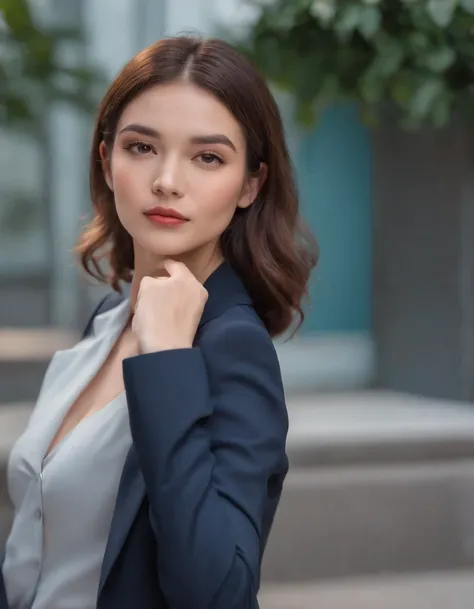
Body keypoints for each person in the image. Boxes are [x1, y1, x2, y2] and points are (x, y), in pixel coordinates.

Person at [0, 36, 317, 609]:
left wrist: (170, 361)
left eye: (208, 157)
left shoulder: (233, 347)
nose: (167, 180)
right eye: (141, 147)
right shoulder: (107, 320)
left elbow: (217, 593)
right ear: (106, 159)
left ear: (251, 184)